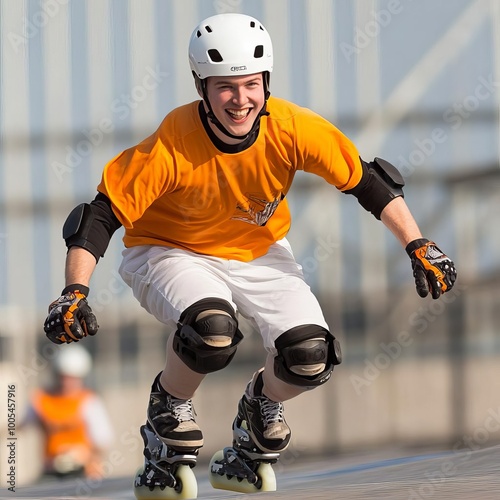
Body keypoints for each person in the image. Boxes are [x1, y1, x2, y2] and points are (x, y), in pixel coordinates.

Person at [43, 12, 456, 469]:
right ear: (201, 87)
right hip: (168, 251)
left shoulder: (293, 128)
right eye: (224, 86)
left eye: (251, 85)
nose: (240, 100)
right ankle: (169, 402)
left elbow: (369, 183)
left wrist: (418, 244)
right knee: (212, 330)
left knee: (310, 355)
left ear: (266, 82)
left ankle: (260, 404)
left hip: (259, 251)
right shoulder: (172, 143)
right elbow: (98, 217)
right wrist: (74, 292)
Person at [23, 344, 113, 479]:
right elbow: (18, 425)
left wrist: (82, 454)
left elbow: (103, 441)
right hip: (51, 470)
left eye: (72, 378)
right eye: (63, 377)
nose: (66, 383)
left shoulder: (89, 402)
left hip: (81, 472)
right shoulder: (42, 399)